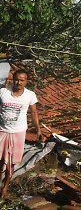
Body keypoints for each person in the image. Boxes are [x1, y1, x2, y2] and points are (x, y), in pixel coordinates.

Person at [0, 69, 40, 198]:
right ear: (13, 80)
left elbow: (34, 113)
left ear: (26, 81)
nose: (19, 82)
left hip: (18, 132)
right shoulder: (3, 92)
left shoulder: (30, 95)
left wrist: (38, 130)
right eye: (17, 79)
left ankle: (4, 189)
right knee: (0, 162)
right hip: (2, 131)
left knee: (11, 163)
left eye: (22, 80)